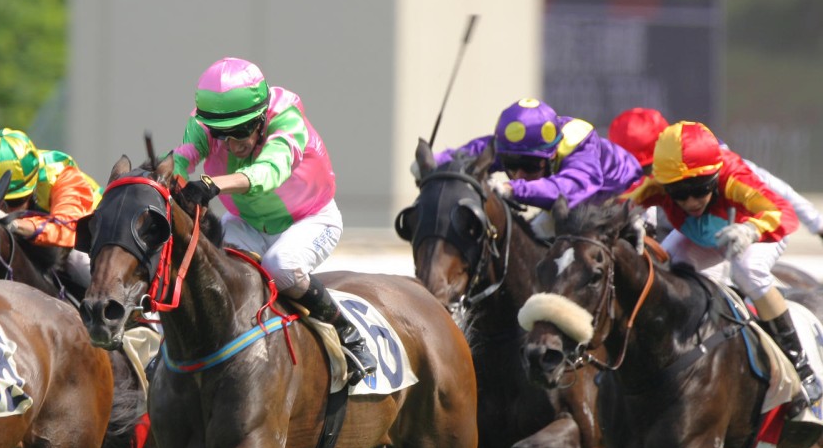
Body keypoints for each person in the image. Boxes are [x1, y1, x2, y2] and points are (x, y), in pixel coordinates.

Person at [171, 56, 376, 384]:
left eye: (240, 131)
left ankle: (348, 332)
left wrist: (212, 185)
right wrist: (170, 177)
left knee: (279, 265)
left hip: (310, 220)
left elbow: (267, 173)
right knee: (217, 272)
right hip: (247, 224)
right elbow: (181, 158)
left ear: (261, 116)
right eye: (220, 135)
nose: (232, 144)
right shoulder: (205, 123)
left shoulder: (287, 118)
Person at [625, 120, 821, 406]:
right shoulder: (657, 183)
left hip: (756, 229)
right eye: (679, 193)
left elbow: (783, 213)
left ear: (714, 176)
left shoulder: (734, 175)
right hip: (703, 233)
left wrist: (751, 230)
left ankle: (800, 365)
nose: (691, 201)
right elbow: (625, 204)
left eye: (700, 188)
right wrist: (633, 221)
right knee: (658, 268)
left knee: (747, 272)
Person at [425, 98, 643, 238]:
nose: (519, 175)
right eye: (511, 166)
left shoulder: (579, 142)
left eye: (529, 166)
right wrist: (432, 162)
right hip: (575, 207)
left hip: (629, 198)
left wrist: (513, 189)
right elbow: (470, 154)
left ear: (553, 153)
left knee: (538, 234)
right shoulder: (518, 148)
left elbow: (572, 188)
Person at [609, 107, 823, 242]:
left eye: (647, 169)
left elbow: (777, 192)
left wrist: (816, 223)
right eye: (631, 172)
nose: (642, 179)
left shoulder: (716, 159)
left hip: (725, 231)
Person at [0, 128, 102, 289]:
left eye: (16, 201)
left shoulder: (62, 174)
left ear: (33, 186)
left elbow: (67, 229)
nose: (7, 211)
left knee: (80, 262)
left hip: (84, 234)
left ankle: (119, 312)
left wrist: (16, 224)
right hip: (42, 230)